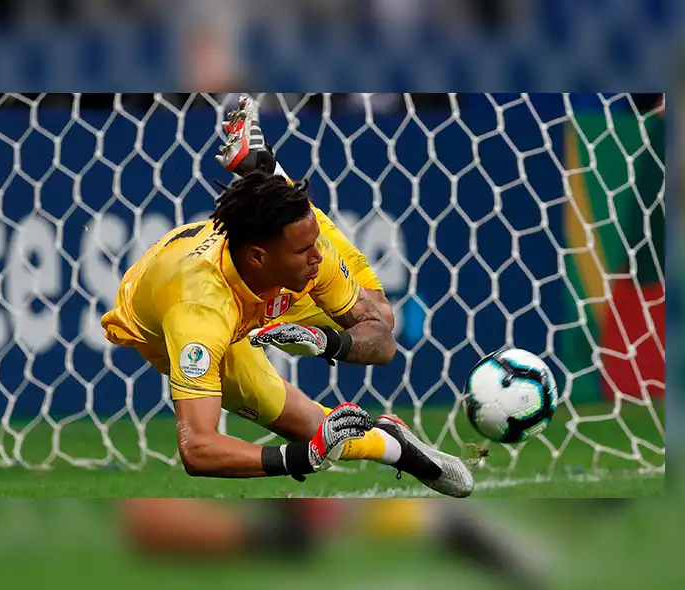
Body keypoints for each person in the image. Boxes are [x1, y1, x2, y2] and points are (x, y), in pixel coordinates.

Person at [100, 96, 473, 497]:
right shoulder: (199, 314)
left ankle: (268, 172)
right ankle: (392, 445)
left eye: (316, 243)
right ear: (260, 256)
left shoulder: (308, 258)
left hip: (256, 283)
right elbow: (197, 449)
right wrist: (300, 457)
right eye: (304, 251)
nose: (319, 256)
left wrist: (326, 342)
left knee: (381, 312)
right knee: (311, 427)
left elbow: (383, 344)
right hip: (171, 311)